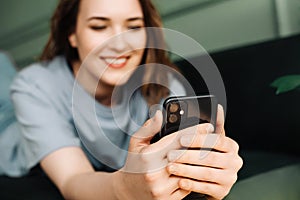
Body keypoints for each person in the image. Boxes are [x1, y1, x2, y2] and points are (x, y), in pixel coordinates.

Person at [1, 0, 243, 199]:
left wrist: (207, 174)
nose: (119, 44)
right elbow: (73, 180)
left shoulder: (164, 85)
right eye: (99, 26)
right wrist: (124, 188)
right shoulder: (34, 85)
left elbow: (180, 163)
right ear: (72, 35)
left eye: (134, 27)